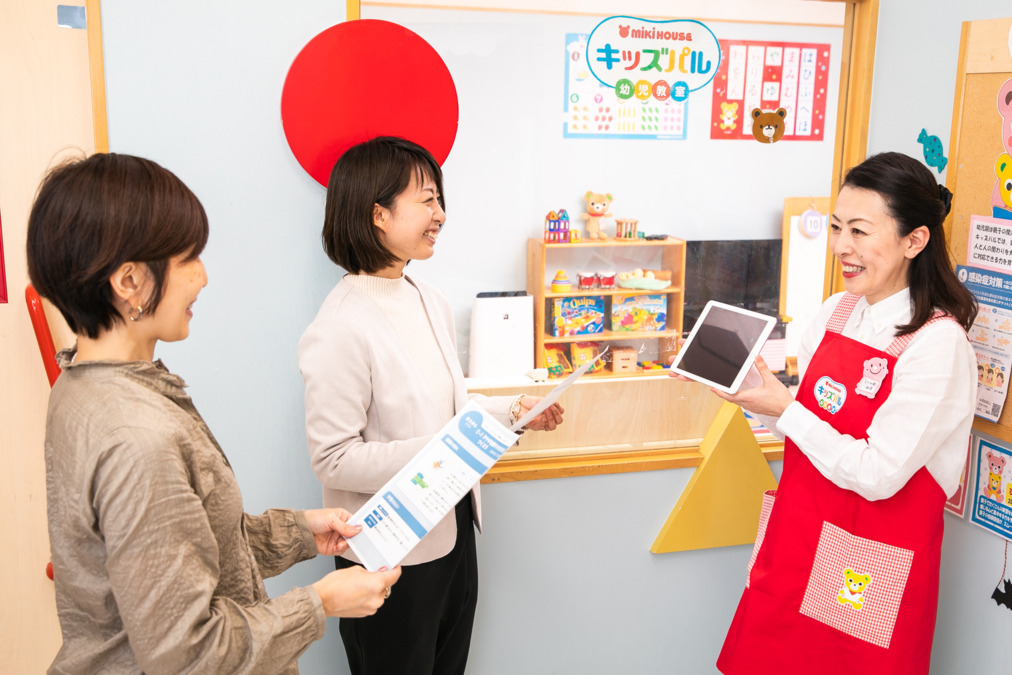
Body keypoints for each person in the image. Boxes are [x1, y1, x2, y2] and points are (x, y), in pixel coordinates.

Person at [26, 153, 402, 674]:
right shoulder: (138, 437)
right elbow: (190, 654)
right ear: (129, 282)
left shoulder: (81, 387)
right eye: (188, 260)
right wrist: (322, 602)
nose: (203, 278)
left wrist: (297, 533)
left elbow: (177, 549)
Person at [681, 152, 977, 674]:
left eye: (860, 231)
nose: (842, 246)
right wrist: (757, 397)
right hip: (796, 545)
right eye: (839, 227)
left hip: (865, 575)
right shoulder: (836, 313)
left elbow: (878, 474)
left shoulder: (937, 344)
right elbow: (806, 426)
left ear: (915, 240)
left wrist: (787, 410)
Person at [298, 136, 564, 675]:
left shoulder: (428, 297)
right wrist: (446, 449)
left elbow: (452, 403)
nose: (440, 213)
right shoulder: (340, 326)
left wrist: (514, 410)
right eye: (426, 200)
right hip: (390, 556)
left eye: (439, 199)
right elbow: (333, 458)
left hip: (455, 529)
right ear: (378, 214)